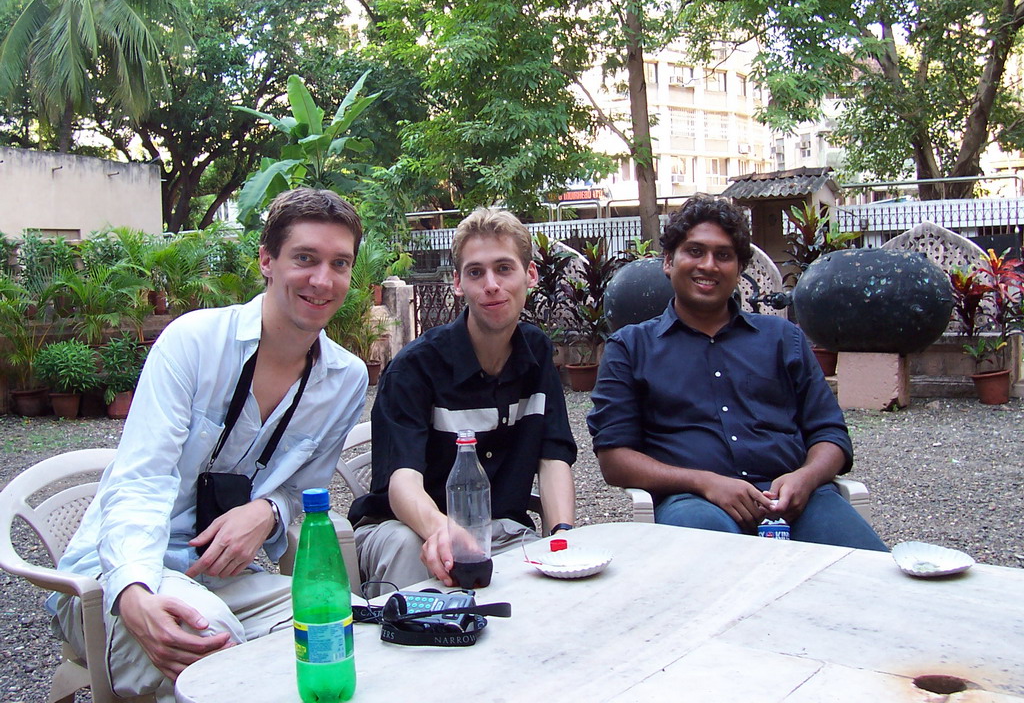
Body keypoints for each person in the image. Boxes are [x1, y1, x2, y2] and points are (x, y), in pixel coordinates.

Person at [53, 188, 369, 700]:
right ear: (266, 260)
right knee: (219, 650)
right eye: (305, 259)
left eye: (339, 263)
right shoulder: (194, 342)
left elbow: (303, 494)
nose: (322, 280)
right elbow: (141, 479)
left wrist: (267, 511)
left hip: (220, 579)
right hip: (114, 575)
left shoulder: (345, 378)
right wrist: (132, 591)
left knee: (340, 631)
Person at [587, 194, 887, 551]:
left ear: (739, 268)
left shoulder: (782, 339)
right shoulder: (630, 348)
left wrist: (805, 478)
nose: (709, 265)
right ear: (668, 261)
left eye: (724, 255)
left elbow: (831, 434)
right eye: (695, 251)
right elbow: (614, 458)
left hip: (798, 502)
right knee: (720, 582)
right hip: (695, 504)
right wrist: (706, 483)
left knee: (872, 578)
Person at [349, 208, 577, 597]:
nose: (491, 284)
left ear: (531, 275)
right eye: (475, 272)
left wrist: (561, 538)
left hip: (499, 527)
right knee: (413, 551)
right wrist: (443, 531)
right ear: (458, 283)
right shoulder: (414, 367)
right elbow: (401, 480)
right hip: (404, 528)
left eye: (504, 269)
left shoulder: (537, 352)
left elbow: (553, 454)